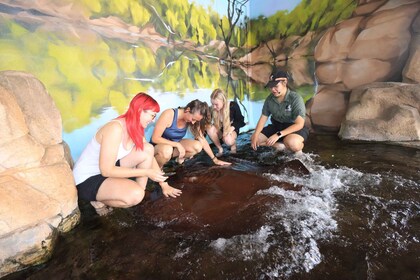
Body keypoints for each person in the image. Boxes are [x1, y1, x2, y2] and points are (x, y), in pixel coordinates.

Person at [73, 93, 182, 216]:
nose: (153, 120)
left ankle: (138, 194)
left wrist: (164, 185)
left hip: (106, 168)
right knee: (135, 195)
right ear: (140, 110)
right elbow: (106, 171)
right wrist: (146, 172)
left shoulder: (136, 127)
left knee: (147, 148)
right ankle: (99, 201)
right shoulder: (115, 128)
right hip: (87, 179)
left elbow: (149, 155)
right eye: (152, 116)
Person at [152, 99, 231, 167]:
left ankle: (176, 161)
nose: (193, 123)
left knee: (198, 146)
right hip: (159, 147)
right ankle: (158, 169)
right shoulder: (169, 114)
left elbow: (202, 139)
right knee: (167, 150)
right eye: (193, 119)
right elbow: (155, 138)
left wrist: (215, 159)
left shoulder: (192, 120)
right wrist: (176, 144)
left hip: (174, 147)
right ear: (187, 110)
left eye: (196, 120)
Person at [251, 69, 309, 154]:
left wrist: (278, 135)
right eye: (271, 87)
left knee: (293, 144)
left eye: (276, 86)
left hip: (294, 128)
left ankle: (298, 149)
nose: (273, 90)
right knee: (255, 139)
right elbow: (263, 118)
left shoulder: (296, 98)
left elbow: (299, 124)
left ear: (284, 82)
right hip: (277, 126)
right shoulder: (269, 99)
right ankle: (279, 146)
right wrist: (255, 135)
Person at [206, 88, 245, 156]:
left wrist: (232, 128)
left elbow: (241, 121)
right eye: (212, 104)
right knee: (209, 128)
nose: (214, 106)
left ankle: (233, 145)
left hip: (232, 130)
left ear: (223, 101)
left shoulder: (233, 106)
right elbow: (206, 123)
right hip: (220, 130)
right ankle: (220, 149)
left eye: (216, 104)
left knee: (228, 140)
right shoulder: (212, 109)